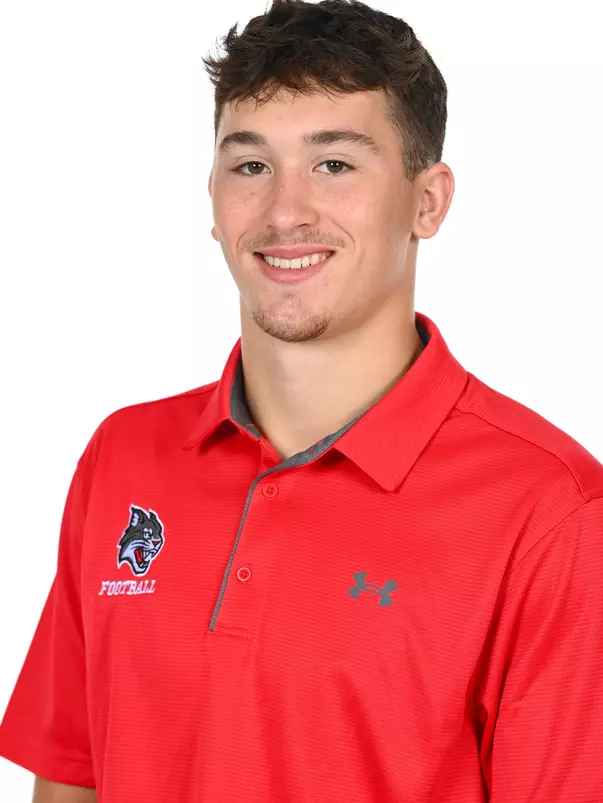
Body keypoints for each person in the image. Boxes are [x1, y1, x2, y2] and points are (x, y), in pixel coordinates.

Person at [1, 0, 602, 801]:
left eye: (334, 164)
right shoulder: (123, 457)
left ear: (428, 201)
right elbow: (70, 778)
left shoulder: (549, 511)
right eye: (251, 165)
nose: (284, 212)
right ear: (212, 197)